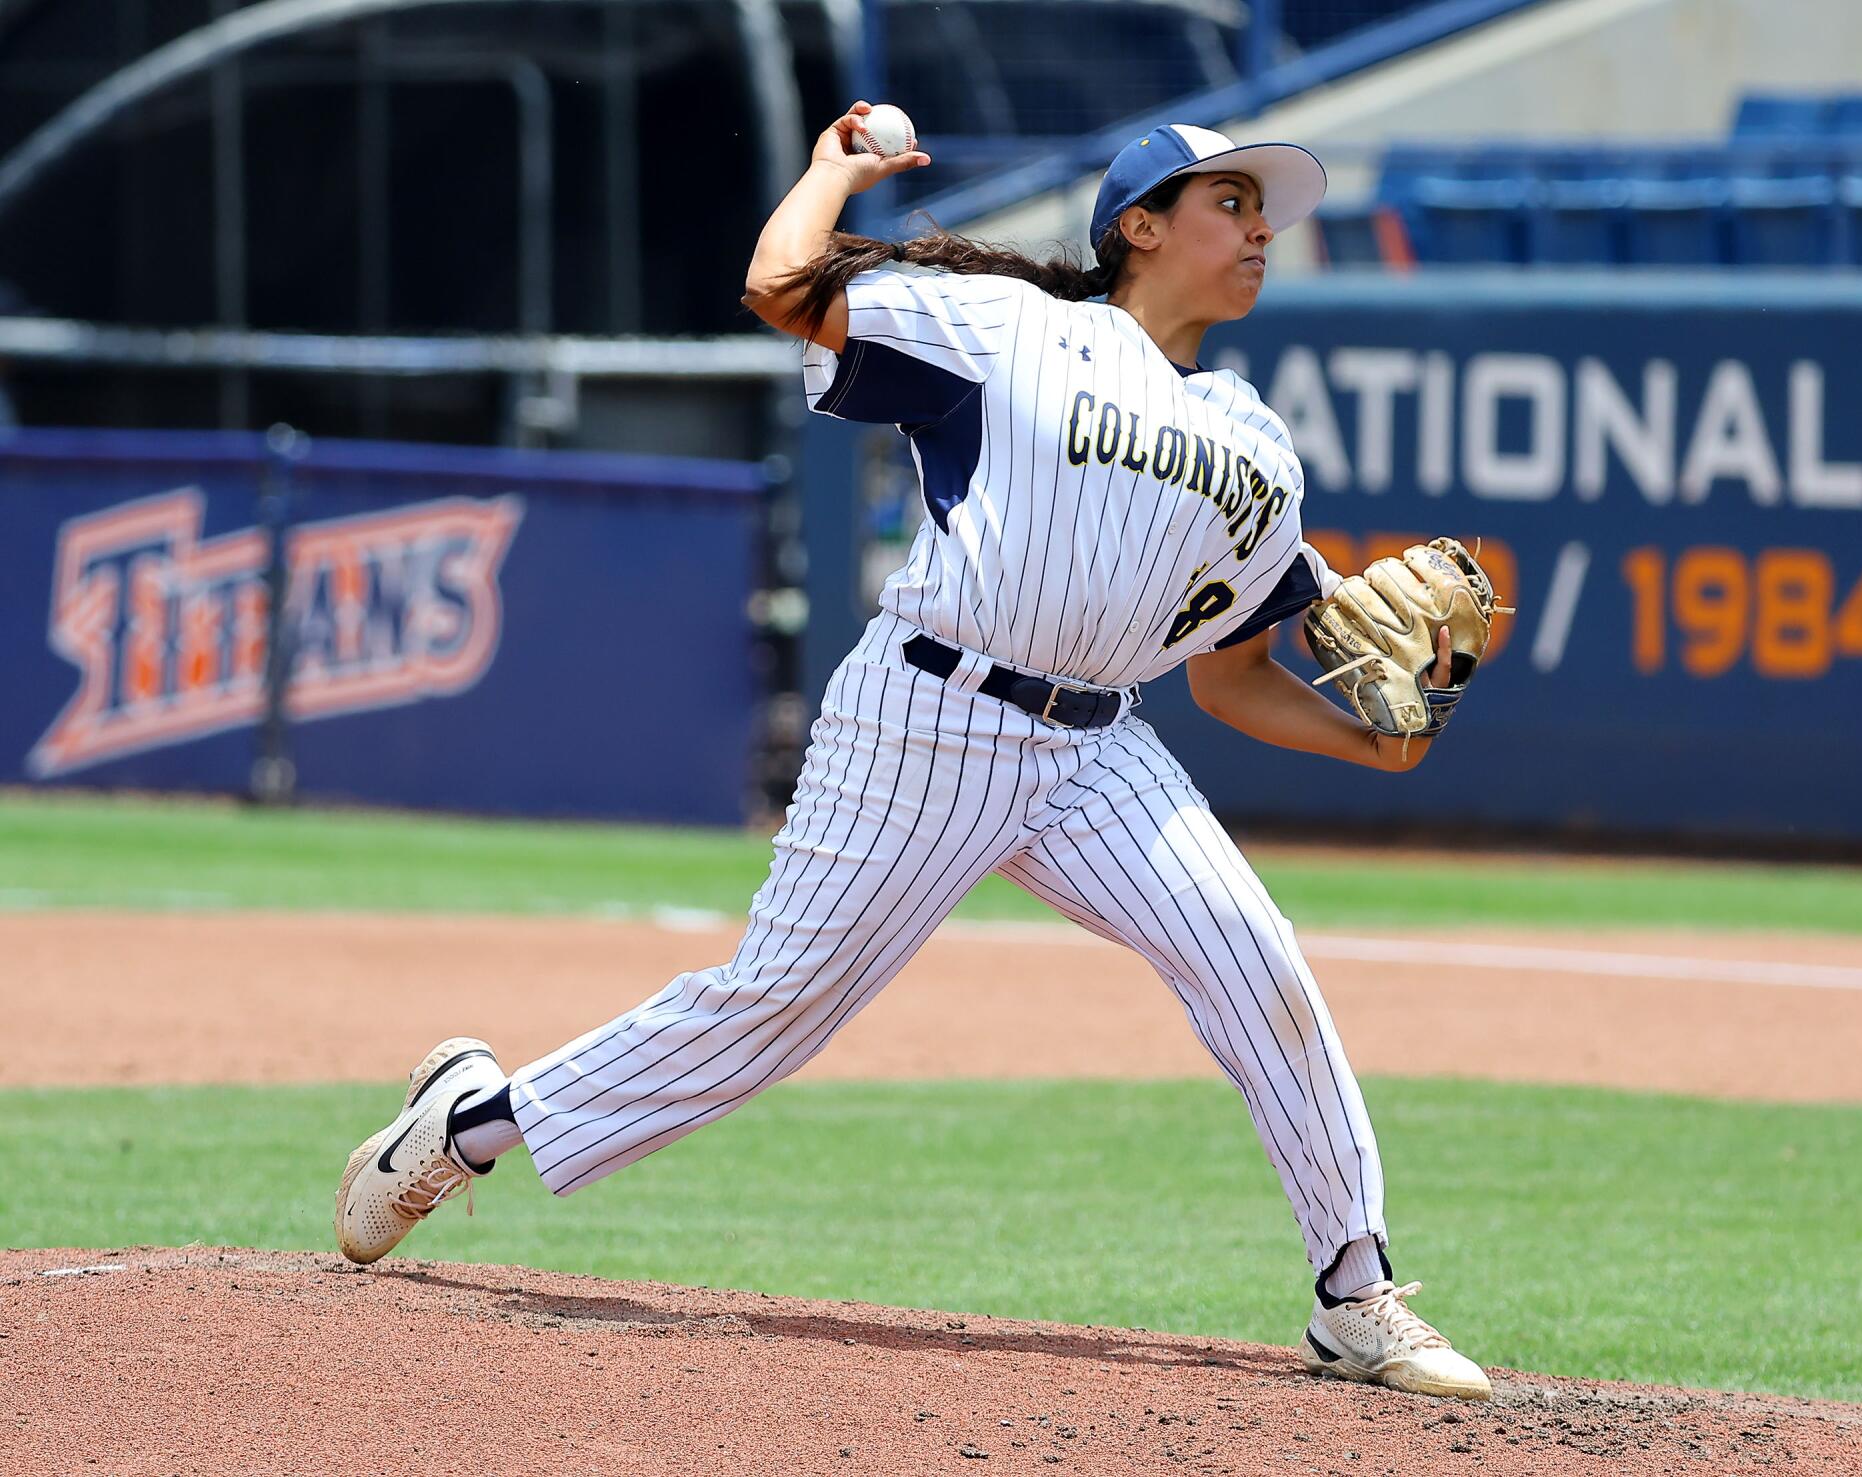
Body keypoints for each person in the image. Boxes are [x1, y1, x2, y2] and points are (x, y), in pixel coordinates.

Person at [335, 104, 1490, 1402]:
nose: (1261, 225)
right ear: (1141, 227)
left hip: (1103, 749)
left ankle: (1356, 1289)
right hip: (934, 711)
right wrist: (836, 171)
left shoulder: (1254, 443)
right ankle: (471, 1122)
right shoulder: (1011, 327)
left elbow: (1233, 683)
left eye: (1264, 207)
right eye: (1229, 201)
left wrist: (1384, 740)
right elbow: (780, 286)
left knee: (1258, 962)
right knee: (775, 1006)